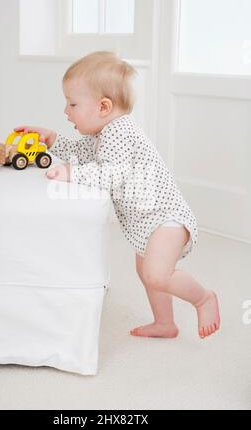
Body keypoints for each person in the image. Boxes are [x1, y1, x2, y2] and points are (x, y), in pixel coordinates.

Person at [15, 51, 220, 339]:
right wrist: (51, 140)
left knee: (156, 274)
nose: (66, 111)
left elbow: (112, 174)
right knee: (146, 272)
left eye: (72, 103)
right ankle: (165, 323)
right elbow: (80, 153)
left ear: (103, 106)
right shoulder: (102, 134)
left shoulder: (120, 131)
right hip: (146, 222)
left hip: (165, 216)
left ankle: (203, 298)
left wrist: (72, 174)